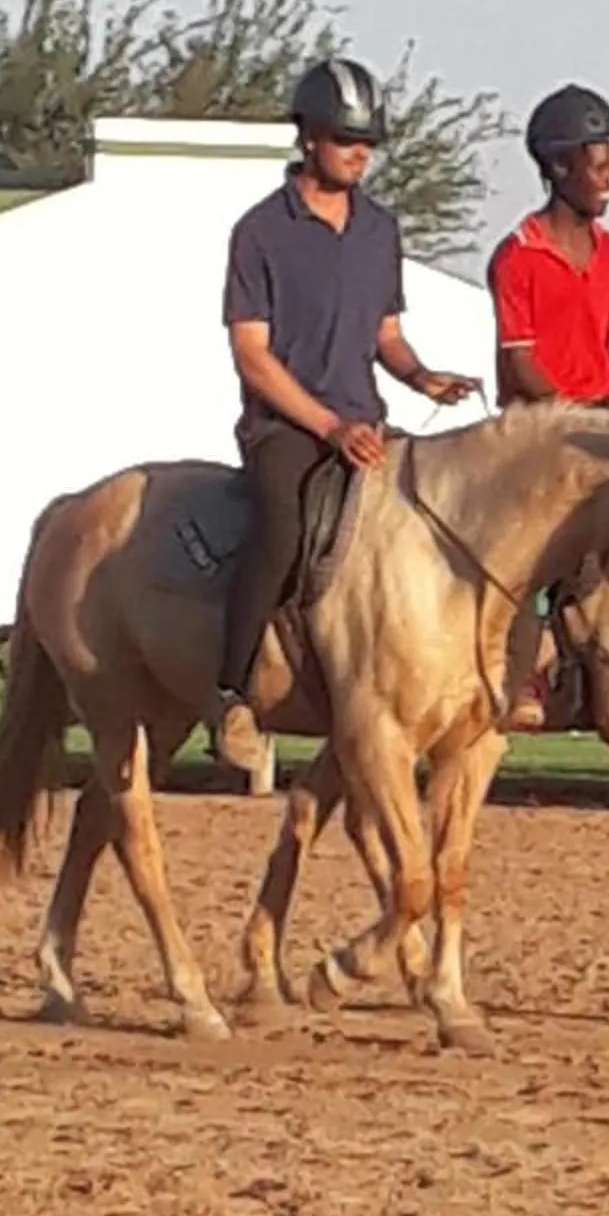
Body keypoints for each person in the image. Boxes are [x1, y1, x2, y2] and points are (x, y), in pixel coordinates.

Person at [211, 57, 478, 770]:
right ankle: (232, 692)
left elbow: (385, 333)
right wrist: (327, 426)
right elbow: (252, 356)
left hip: (367, 421)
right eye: (345, 139)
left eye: (368, 142)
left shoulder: (379, 230)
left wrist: (422, 377)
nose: (360, 153)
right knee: (284, 526)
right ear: (308, 138)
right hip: (286, 428)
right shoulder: (260, 231)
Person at [487, 84, 609, 738]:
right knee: (533, 559)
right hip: (541, 434)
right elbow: (519, 363)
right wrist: (575, 417)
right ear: (559, 166)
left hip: (605, 426)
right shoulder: (518, 256)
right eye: (600, 165)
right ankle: (523, 676)